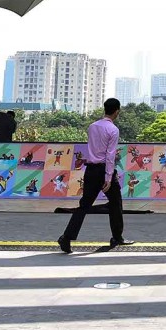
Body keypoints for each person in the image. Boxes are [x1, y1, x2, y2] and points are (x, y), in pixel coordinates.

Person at [58, 98, 133, 252]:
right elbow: (110, 155)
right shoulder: (113, 130)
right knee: (116, 203)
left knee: (84, 205)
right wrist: (108, 178)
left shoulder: (92, 126)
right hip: (104, 170)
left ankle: (66, 237)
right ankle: (117, 236)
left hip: (91, 170)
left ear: (104, 109)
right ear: (117, 111)